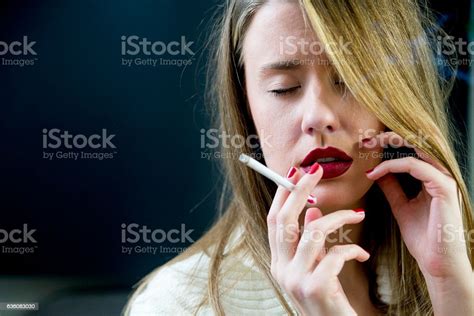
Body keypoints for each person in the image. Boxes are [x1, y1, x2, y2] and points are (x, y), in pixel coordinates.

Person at [125, 0, 474, 315]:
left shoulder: (459, 269)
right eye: (284, 88)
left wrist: (452, 292)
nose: (318, 117)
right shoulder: (176, 305)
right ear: (246, 109)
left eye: (350, 80)